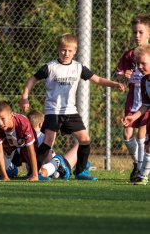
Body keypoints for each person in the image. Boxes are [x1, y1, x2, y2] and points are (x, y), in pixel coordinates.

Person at [19, 33, 126, 180]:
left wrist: (114, 84)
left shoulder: (78, 67)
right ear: (58, 50)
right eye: (63, 50)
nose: (66, 53)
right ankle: (34, 172)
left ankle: (80, 171)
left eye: (70, 50)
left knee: (85, 139)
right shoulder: (50, 67)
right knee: (48, 141)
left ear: (75, 50)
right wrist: (25, 97)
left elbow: (98, 79)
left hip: (70, 111)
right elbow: (32, 80)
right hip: (53, 111)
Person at [116, 14, 150, 182]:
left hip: (146, 99)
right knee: (127, 133)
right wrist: (124, 75)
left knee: (142, 134)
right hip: (135, 98)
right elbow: (119, 73)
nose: (137, 35)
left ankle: (142, 169)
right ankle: (138, 164)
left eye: (141, 32)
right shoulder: (130, 55)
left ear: (148, 34)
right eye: (135, 32)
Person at [0, 100, 39, 181]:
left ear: (11, 115)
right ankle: (9, 169)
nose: (0, 123)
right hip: (12, 146)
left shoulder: (22, 123)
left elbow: (31, 150)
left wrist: (35, 176)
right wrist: (4, 176)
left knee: (33, 172)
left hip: (26, 148)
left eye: (3, 118)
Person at [122, 44, 150, 185]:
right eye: (138, 63)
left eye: (144, 63)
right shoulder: (145, 80)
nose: (140, 66)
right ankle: (142, 176)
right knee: (148, 146)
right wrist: (133, 117)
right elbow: (146, 105)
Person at [26, 109, 79, 180]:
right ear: (41, 124)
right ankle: (61, 161)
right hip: (47, 170)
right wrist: (52, 171)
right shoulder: (43, 136)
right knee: (81, 144)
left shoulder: (25, 136)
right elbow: (48, 157)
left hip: (31, 169)